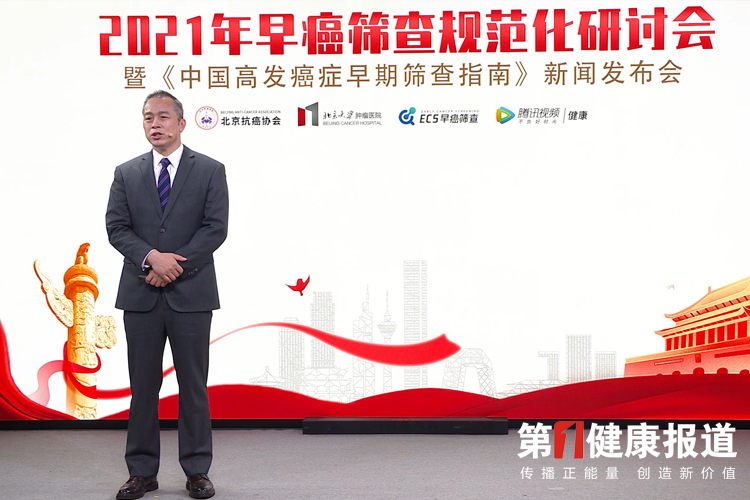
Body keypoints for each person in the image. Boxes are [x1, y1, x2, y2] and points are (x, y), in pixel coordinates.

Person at [106, 90, 229, 500]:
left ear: (181, 123)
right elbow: (117, 228)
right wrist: (151, 259)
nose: (154, 124)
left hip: (191, 294)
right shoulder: (127, 172)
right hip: (140, 295)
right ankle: (142, 472)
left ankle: (197, 471)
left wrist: (173, 266)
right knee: (143, 387)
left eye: (162, 116)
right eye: (147, 118)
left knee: (193, 385)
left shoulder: (210, 170)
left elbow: (215, 228)